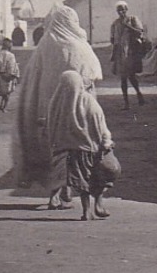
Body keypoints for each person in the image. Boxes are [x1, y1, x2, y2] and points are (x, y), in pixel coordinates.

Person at [10, 4, 103, 194]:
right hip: (78, 110)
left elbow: (31, 78)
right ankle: (70, 188)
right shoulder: (81, 45)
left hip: (48, 109)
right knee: (76, 148)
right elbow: (95, 74)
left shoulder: (45, 44)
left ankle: (57, 190)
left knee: (53, 148)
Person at [46, 69, 116, 220]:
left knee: (80, 180)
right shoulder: (88, 100)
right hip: (89, 149)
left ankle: (86, 211)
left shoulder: (56, 103)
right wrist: (105, 141)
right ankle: (98, 204)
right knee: (96, 176)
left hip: (67, 150)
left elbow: (50, 125)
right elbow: (99, 123)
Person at [109, 0, 148, 110]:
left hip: (131, 52)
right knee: (123, 78)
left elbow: (140, 32)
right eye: (119, 10)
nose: (121, 12)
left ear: (126, 10)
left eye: (123, 9)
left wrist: (128, 27)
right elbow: (112, 39)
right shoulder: (115, 24)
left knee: (131, 75)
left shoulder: (132, 19)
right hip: (120, 54)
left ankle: (138, 93)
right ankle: (126, 103)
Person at [0, 36, 20, 112]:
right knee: (7, 92)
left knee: (3, 92)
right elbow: (12, 66)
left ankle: (1, 105)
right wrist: (12, 75)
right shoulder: (11, 55)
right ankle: (4, 107)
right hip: (8, 75)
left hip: (0, 75)